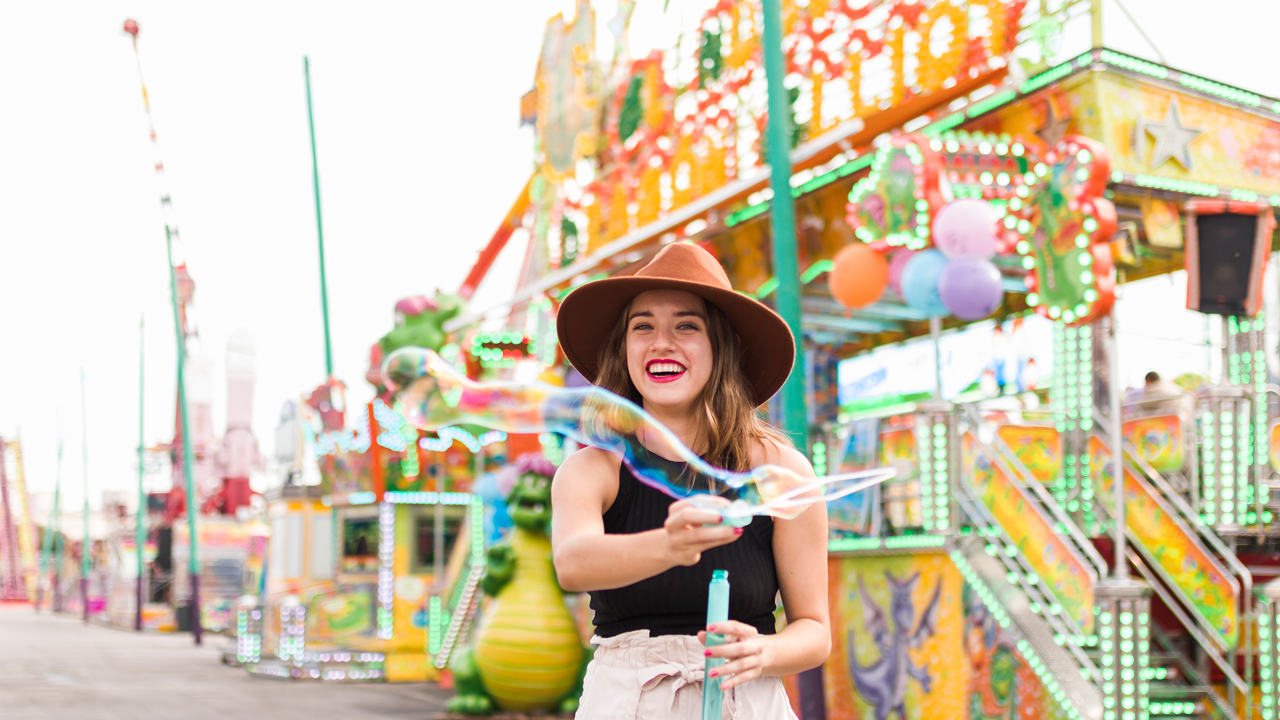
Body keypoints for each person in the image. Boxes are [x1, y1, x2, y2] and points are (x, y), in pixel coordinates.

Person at [551, 243, 829, 719]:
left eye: (686, 326)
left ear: (722, 347)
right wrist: (669, 545)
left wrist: (765, 652)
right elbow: (573, 564)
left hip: (746, 703)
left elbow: (814, 630)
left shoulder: (781, 469)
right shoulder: (590, 469)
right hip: (627, 703)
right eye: (643, 327)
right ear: (624, 350)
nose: (662, 342)